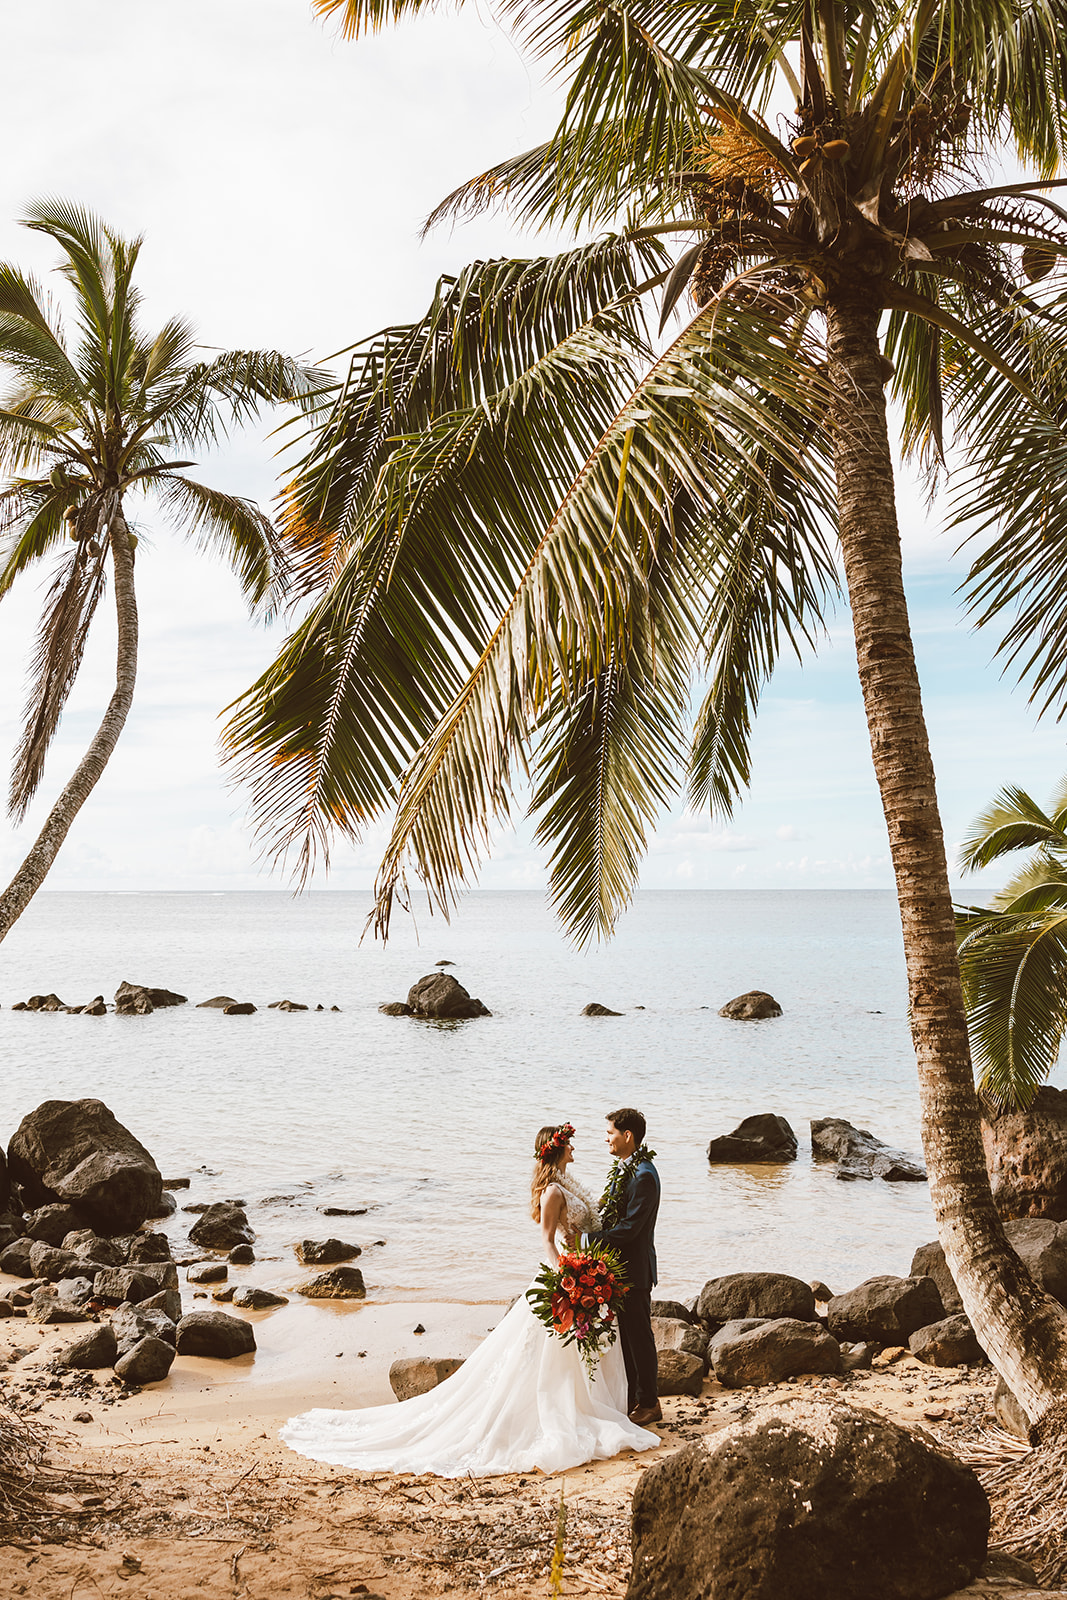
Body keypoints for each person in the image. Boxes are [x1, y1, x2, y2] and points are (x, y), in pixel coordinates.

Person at [278, 1122, 660, 1477]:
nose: (576, 1146)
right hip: (566, 1272)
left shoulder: (568, 1185)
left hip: (580, 1269)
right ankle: (555, 1413)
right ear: (556, 1149)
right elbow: (547, 1240)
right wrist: (566, 1272)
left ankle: (598, 1404)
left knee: (572, 1351)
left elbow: (587, 1227)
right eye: (569, 1143)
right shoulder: (553, 1192)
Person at [580, 1108, 661, 1426]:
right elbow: (611, 1214)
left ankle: (650, 1402)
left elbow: (629, 1229)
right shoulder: (627, 1169)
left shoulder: (644, 1176)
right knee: (626, 1337)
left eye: (611, 1132)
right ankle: (633, 1398)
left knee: (640, 1337)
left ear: (628, 1136)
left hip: (635, 1270)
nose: (606, 1138)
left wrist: (588, 1240)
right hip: (621, 1269)